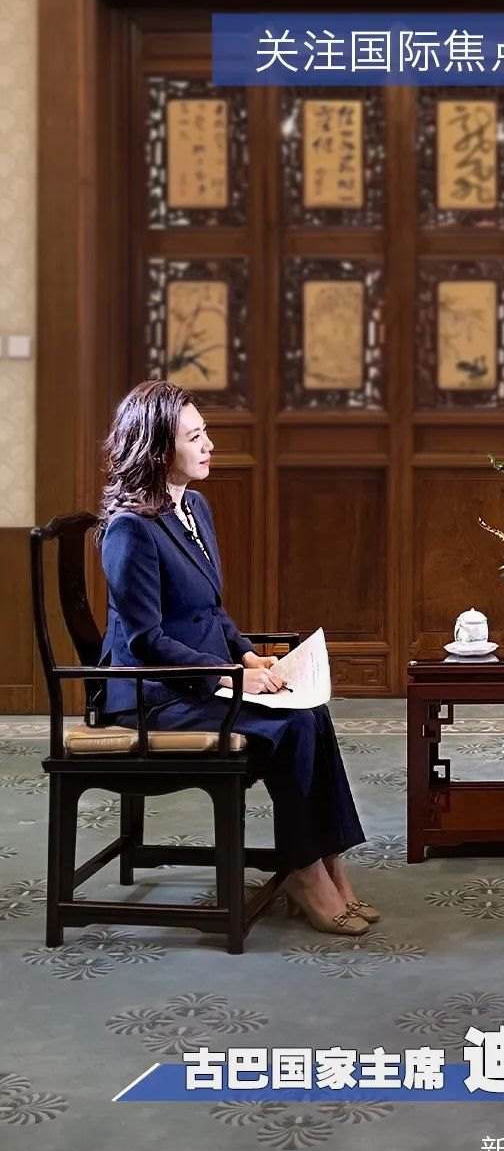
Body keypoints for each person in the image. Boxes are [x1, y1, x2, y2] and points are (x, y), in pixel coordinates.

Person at [98, 380, 378, 937]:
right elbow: (146, 641)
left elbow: (210, 610)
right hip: (151, 698)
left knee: (312, 714)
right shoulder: (130, 530)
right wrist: (229, 677)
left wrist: (247, 656)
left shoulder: (194, 506)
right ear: (157, 449)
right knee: (292, 728)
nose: (209, 446)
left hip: (200, 681)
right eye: (194, 437)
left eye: (205, 433)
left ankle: (329, 865)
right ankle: (304, 873)